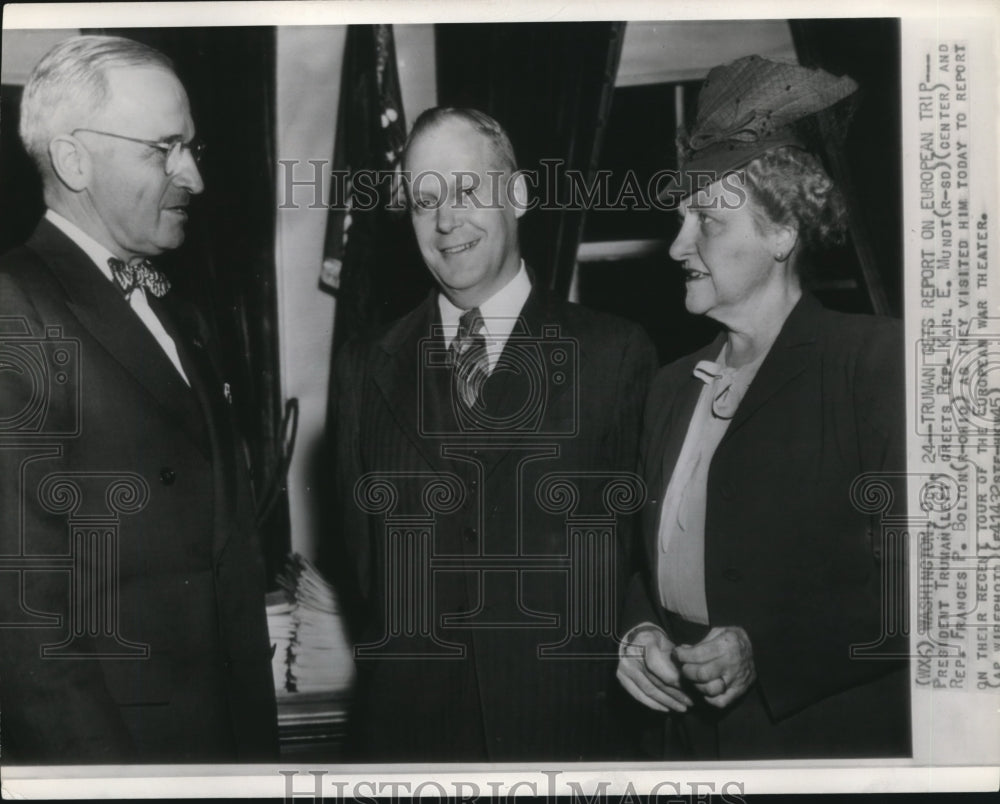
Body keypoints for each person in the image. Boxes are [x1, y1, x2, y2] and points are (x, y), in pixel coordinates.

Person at [329, 107, 658, 761]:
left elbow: (641, 556)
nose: (445, 221)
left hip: (568, 734)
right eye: (424, 201)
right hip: (409, 741)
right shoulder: (369, 366)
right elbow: (365, 569)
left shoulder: (615, 354)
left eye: (466, 190)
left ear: (519, 194)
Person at [616, 55, 910, 759]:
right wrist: (638, 632)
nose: (678, 243)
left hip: (819, 742)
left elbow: (927, 584)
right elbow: (645, 561)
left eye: (708, 221)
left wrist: (763, 649)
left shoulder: (871, 362)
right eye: (681, 217)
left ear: (782, 234)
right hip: (681, 741)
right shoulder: (670, 386)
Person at [0, 35, 277, 763]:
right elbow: (27, 629)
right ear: (73, 159)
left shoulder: (175, 309)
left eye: (192, 147)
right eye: (163, 149)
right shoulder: (13, 308)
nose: (194, 176)